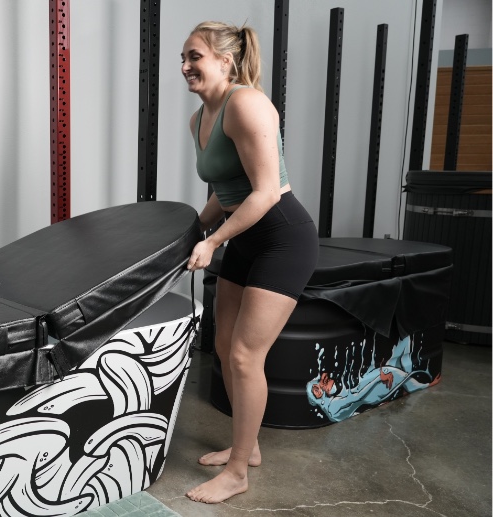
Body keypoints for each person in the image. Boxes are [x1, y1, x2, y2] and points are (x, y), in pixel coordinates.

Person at [180, 21, 318, 503]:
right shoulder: (200, 119)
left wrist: (214, 241)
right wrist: (195, 230)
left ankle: (238, 472)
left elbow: (264, 193)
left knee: (245, 355)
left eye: (195, 56)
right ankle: (248, 446)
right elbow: (226, 190)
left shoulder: (248, 104)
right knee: (222, 344)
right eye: (184, 57)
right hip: (244, 236)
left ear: (225, 60)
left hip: (282, 237)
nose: (185, 66)